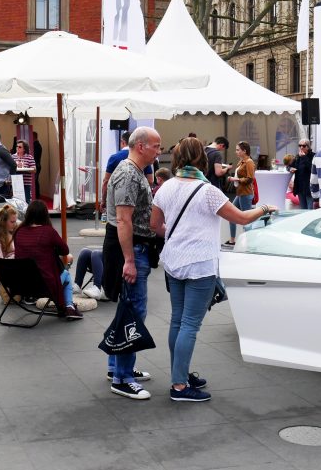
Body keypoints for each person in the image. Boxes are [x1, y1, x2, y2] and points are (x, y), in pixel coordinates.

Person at [150, 137, 277, 403]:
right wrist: (264, 208)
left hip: (173, 261)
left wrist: (179, 235)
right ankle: (180, 386)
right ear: (201, 159)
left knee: (177, 320)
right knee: (189, 324)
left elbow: (156, 225)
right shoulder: (208, 191)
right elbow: (241, 218)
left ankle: (180, 374)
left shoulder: (166, 187)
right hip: (199, 263)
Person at [102, 126, 161, 400]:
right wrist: (129, 260)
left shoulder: (132, 172)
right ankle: (122, 377)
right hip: (132, 250)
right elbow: (124, 220)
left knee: (128, 310)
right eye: (155, 146)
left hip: (135, 248)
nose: (159, 151)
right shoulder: (128, 173)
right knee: (134, 313)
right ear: (140, 146)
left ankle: (118, 367)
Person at [12, 200, 82, 320]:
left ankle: (68, 305)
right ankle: (69, 306)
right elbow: (64, 250)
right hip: (44, 286)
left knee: (60, 272)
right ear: (45, 215)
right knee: (65, 274)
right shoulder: (48, 232)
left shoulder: (19, 231)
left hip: (21, 283)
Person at [100, 135, 153, 216]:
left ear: (122, 142)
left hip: (117, 202)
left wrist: (103, 200)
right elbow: (150, 180)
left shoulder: (114, 158)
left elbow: (106, 181)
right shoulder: (143, 157)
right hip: (138, 204)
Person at [224, 141, 256, 246]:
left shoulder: (249, 162)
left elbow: (250, 179)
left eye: (238, 150)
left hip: (245, 193)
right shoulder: (241, 161)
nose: (236, 151)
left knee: (246, 219)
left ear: (244, 151)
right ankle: (233, 240)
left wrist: (235, 179)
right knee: (231, 215)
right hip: (240, 193)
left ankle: (249, 242)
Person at [0, 204, 18, 302]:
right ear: (3, 222)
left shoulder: (15, 233)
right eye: (12, 222)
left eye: (15, 221)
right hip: (7, 275)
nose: (15, 224)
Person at [291, 139, 314, 209]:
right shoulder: (298, 156)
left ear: (308, 147)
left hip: (309, 187)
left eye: (304, 146)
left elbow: (312, 168)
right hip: (300, 187)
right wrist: (290, 169)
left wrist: (304, 157)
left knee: (309, 210)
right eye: (300, 146)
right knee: (302, 210)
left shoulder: (313, 156)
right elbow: (290, 165)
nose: (301, 147)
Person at [32, 131, 44, 199]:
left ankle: (36, 196)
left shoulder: (36, 145)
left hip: (36, 165)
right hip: (37, 165)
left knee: (35, 181)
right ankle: (36, 195)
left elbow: (34, 156)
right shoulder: (36, 144)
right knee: (35, 181)